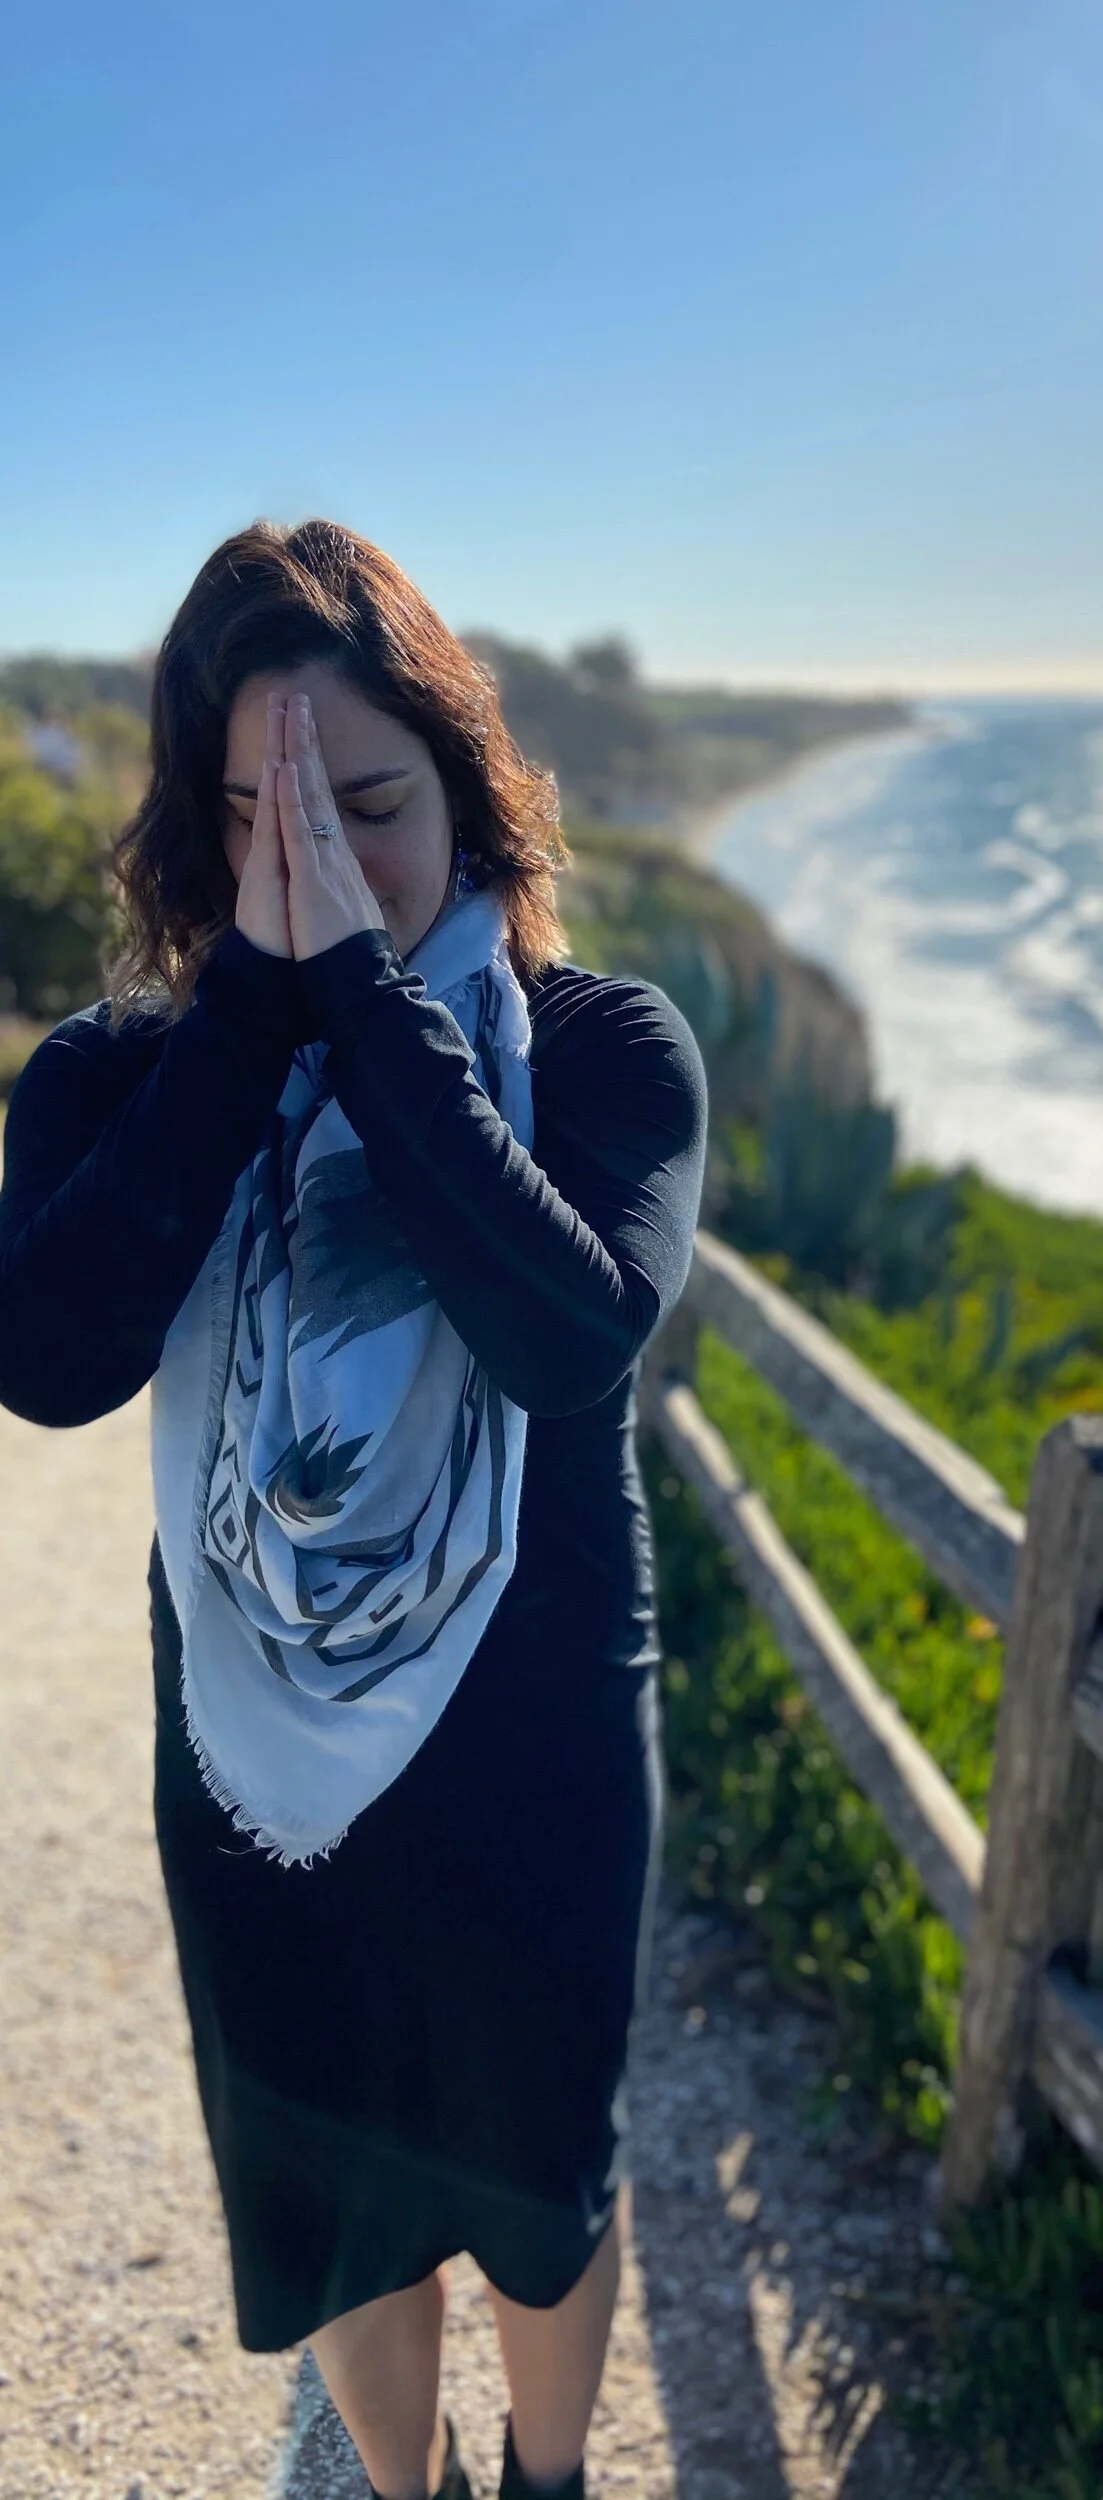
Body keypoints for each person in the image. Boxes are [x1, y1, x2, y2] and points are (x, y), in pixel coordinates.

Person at [0, 519, 707, 2500]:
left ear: (471, 793)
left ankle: (548, 2481)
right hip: (254, 1759)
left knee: (540, 2168)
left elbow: (563, 1333)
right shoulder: (127, 1072)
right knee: (332, 2178)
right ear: (189, 829)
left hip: (536, 1732)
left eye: (365, 806)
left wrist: (368, 1011)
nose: (314, 860)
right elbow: (47, 1359)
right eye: (253, 817)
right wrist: (254, 1013)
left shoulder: (603, 1051)